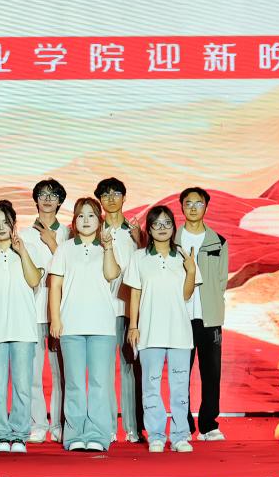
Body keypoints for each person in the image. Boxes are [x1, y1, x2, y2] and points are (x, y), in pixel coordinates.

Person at [124, 205, 200, 454]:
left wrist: (191, 270)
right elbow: (135, 293)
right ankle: (156, 435)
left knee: (180, 388)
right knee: (151, 387)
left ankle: (180, 436)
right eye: (156, 223)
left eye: (167, 223)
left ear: (173, 227)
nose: (162, 228)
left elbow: (186, 295)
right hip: (149, 332)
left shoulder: (183, 256)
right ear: (149, 228)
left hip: (179, 333)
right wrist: (133, 326)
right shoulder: (139, 258)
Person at [48, 198, 121, 452]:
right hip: (72, 325)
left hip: (102, 326)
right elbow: (55, 285)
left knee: (100, 383)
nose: (86, 220)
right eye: (81, 215)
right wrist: (56, 319)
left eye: (91, 215)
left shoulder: (107, 247)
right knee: (75, 383)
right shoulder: (65, 249)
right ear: (74, 221)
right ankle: (74, 434)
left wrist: (108, 247)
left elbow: (111, 274)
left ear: (99, 220)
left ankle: (98, 435)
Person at [0, 200, 42, 453]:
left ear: (14, 224)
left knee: (22, 386)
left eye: (5, 222)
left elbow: (34, 280)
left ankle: (20, 435)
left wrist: (22, 251)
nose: (1, 227)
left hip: (23, 327)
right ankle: (1, 436)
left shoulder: (28, 248)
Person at [177, 187, 229, 441]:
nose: (193, 208)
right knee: (180, 373)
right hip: (179, 316)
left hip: (209, 317)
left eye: (198, 203)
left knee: (211, 373)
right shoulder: (172, 240)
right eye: (188, 203)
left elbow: (221, 280)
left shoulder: (218, 241)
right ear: (182, 207)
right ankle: (183, 425)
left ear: (206, 207)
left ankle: (209, 425)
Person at [94, 177, 144, 443]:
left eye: (116, 193)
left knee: (129, 368)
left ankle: (133, 429)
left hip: (128, 309)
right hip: (102, 307)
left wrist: (141, 240)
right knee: (103, 369)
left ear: (124, 197)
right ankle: (108, 426)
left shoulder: (135, 232)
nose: (111, 198)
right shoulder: (93, 230)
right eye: (105, 194)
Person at [20, 178, 69, 443]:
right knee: (32, 373)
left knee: (62, 374)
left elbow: (73, 270)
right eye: (42, 194)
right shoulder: (24, 235)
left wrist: (53, 244)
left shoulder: (70, 234)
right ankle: (37, 423)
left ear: (60, 201)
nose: (48, 199)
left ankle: (59, 423)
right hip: (33, 312)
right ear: (36, 200)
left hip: (62, 313)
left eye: (53, 195)